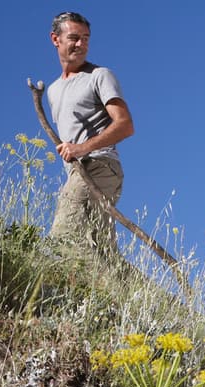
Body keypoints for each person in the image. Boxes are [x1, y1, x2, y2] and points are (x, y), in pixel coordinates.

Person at [46, 11, 135, 258]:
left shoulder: (99, 76)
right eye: (74, 38)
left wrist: (81, 148)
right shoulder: (53, 90)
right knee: (103, 252)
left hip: (100, 165)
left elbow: (125, 125)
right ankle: (139, 286)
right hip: (78, 171)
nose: (81, 44)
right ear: (56, 39)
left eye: (85, 38)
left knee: (64, 234)